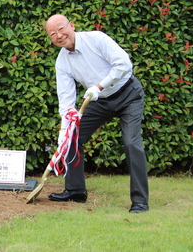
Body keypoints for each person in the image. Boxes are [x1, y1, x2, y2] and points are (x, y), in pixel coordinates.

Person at [44, 14, 149, 213]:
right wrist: (64, 131)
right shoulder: (62, 62)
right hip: (99, 101)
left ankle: (140, 200)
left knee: (131, 142)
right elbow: (66, 100)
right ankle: (75, 191)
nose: (59, 35)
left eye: (61, 28)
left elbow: (124, 65)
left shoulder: (97, 39)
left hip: (128, 94)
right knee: (72, 138)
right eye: (52, 34)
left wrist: (99, 86)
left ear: (72, 25)